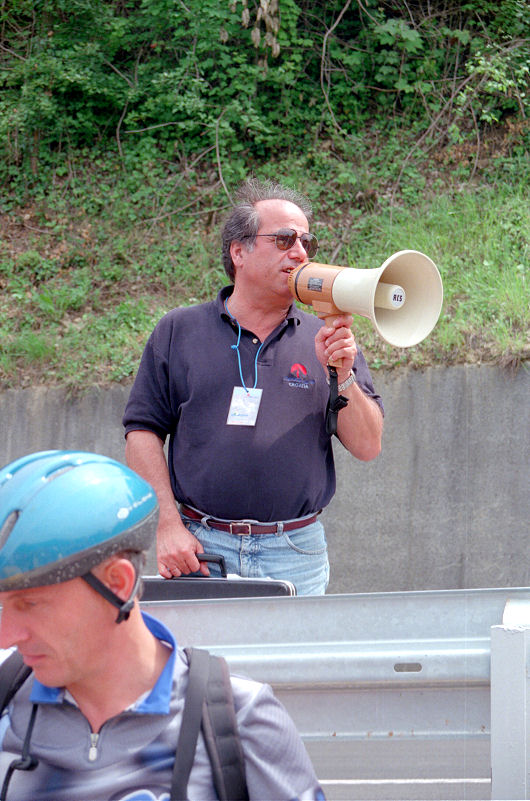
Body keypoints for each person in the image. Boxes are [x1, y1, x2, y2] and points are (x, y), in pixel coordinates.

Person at [0, 450, 324, 801]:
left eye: (30, 604)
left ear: (117, 584)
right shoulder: (7, 705)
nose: (5, 636)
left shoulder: (238, 720)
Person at [123, 177, 384, 595]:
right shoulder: (179, 330)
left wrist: (343, 374)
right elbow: (142, 432)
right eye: (284, 239)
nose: (300, 253)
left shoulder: (325, 337)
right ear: (238, 252)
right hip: (200, 547)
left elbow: (368, 446)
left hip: (295, 553)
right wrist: (167, 525)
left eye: (306, 242)